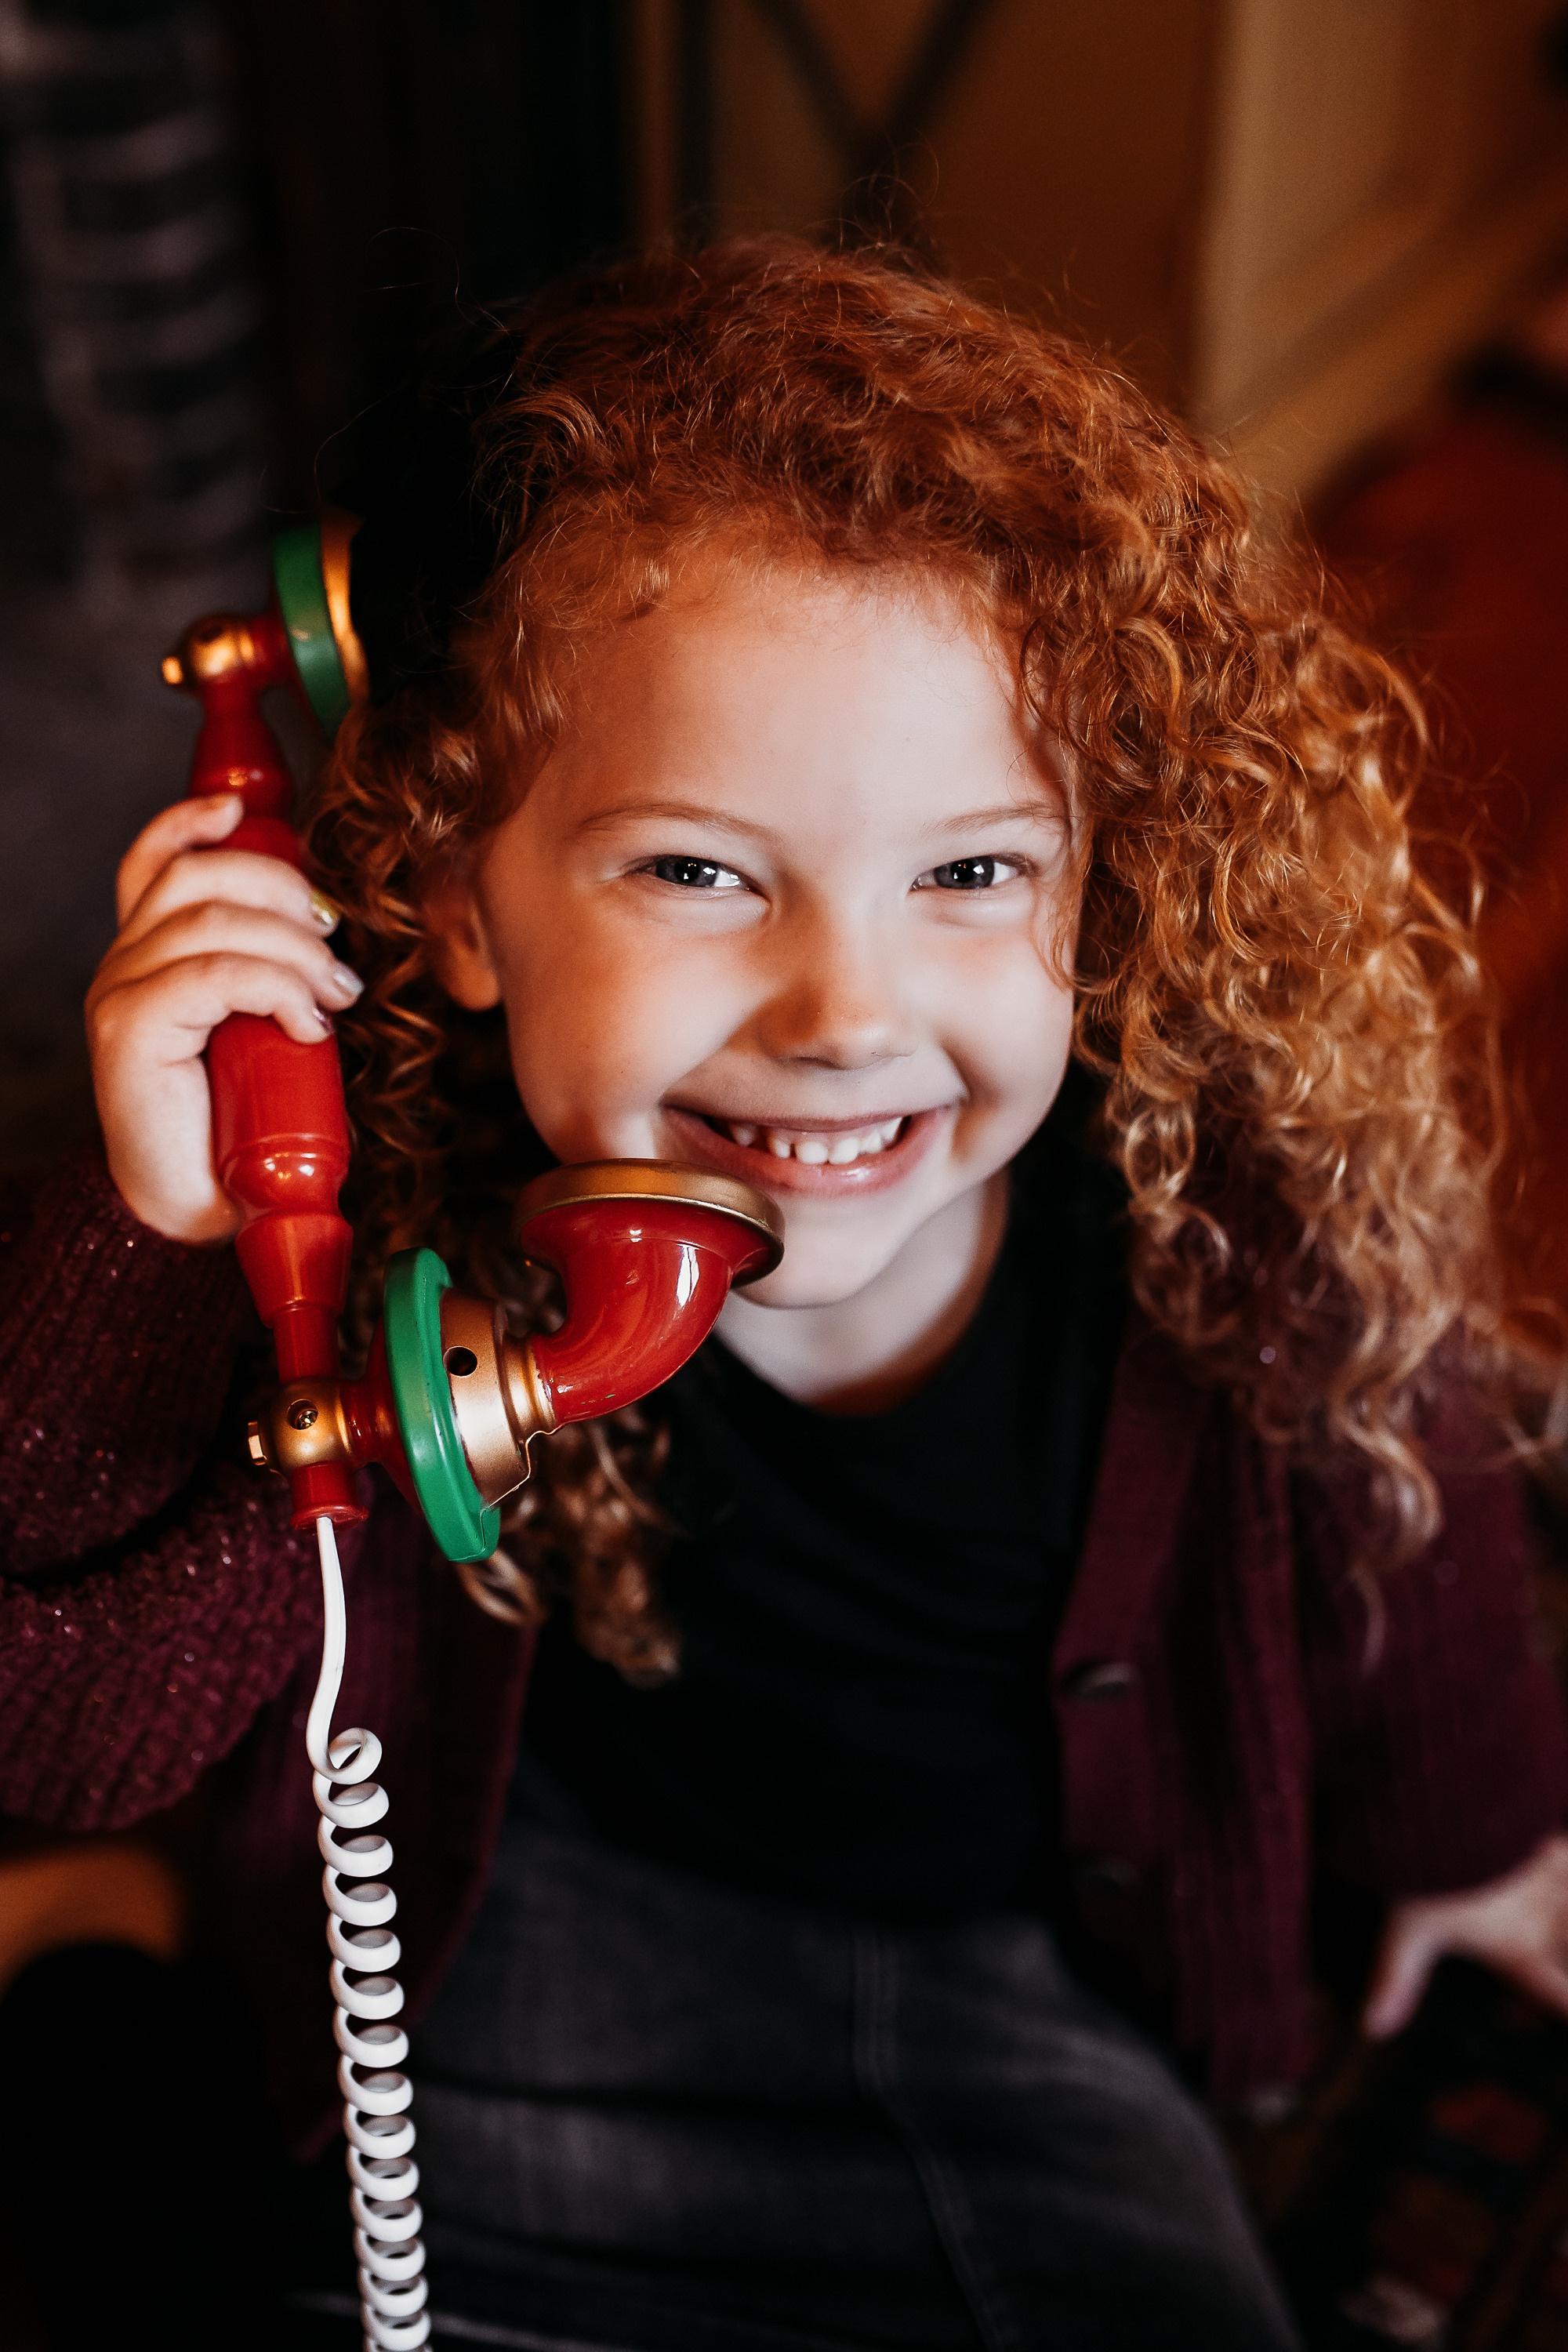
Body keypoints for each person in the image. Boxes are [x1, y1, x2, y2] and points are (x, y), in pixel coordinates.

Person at [2, 238, 1567, 2352]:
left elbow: (1418, 1511)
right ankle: (94, 1961)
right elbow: (69, 1740)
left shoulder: (1234, 1223)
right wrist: (177, 1227)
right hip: (517, 1961)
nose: (846, 1016)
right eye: (697, 872)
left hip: (1011, 2003)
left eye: (971, 875)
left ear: (1095, 884)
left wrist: (1478, 1836)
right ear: (459, 896)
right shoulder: (375, 1210)